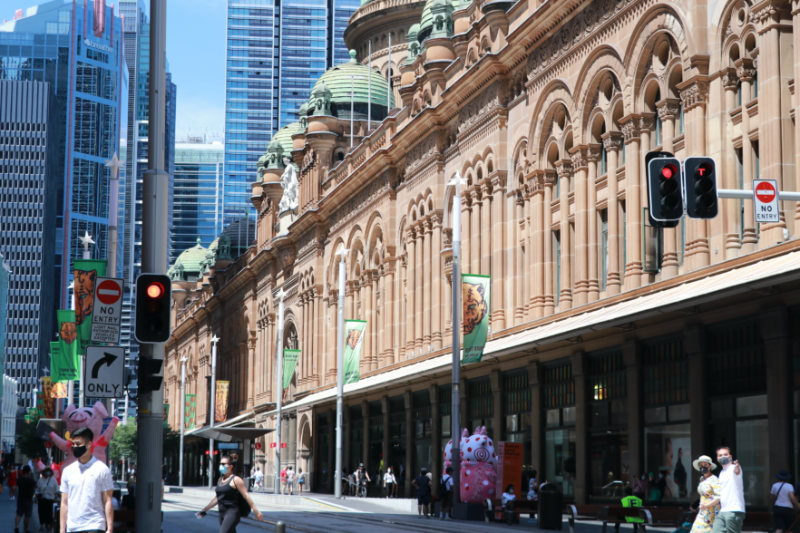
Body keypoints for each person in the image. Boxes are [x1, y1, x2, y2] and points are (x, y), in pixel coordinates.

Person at [59, 427, 114, 533]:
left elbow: (107, 500)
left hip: (95, 524)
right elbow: (64, 502)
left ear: (89, 444)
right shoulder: (68, 471)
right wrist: (62, 529)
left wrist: (110, 528)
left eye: (78, 444)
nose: (75, 447)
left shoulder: (102, 469)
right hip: (72, 526)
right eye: (73, 444)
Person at [198, 452, 263, 533]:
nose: (220, 466)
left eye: (223, 464)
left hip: (232, 512)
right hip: (222, 513)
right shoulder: (220, 480)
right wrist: (205, 509)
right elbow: (217, 498)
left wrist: (256, 511)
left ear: (231, 466)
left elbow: (246, 496)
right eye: (220, 464)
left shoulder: (236, 480)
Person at [709, 446, 745, 533]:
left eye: (725, 454)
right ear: (717, 458)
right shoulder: (722, 473)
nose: (723, 456)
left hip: (734, 510)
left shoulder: (733, 468)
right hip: (723, 510)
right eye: (720, 455)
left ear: (730, 457)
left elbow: (737, 471)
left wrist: (737, 467)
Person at [690, 454, 721, 533]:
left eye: (705, 465)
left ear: (710, 466)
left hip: (712, 513)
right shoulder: (702, 479)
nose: (703, 467)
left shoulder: (714, 479)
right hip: (702, 512)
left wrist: (707, 505)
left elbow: (719, 497)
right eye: (701, 465)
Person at [36, 466, 58, 532]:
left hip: (50, 500)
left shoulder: (53, 480)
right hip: (42, 499)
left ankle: (48, 525)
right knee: (41, 513)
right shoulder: (40, 480)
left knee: (49, 513)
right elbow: (37, 490)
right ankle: (41, 525)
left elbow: (56, 490)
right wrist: (37, 497)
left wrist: (55, 498)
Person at [14, 465, 35, 533]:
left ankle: (16, 527)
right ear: (29, 471)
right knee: (27, 515)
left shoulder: (20, 479)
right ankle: (25, 530)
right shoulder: (31, 480)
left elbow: (16, 484)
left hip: (21, 499)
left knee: (19, 514)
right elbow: (36, 486)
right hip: (28, 499)